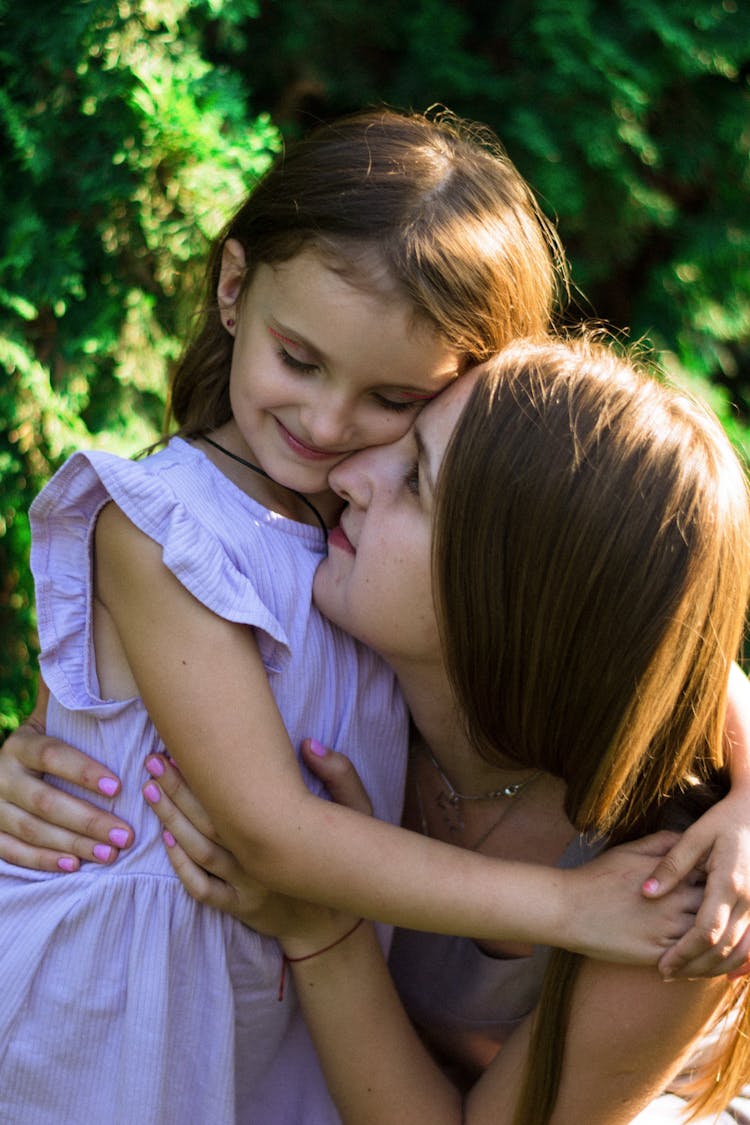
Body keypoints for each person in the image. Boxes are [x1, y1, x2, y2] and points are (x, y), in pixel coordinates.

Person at [0, 109, 708, 1125]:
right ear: (234, 290)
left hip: (257, 1018)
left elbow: (662, 651)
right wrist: (566, 908)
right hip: (108, 1005)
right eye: (300, 360)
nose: (330, 431)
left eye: (393, 401)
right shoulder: (161, 525)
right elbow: (273, 835)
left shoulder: (364, 547)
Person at [131, 336, 750, 1123]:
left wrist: (323, 921)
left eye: (415, 481)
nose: (349, 475)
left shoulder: (676, 888)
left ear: (513, 604)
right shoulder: (347, 629)